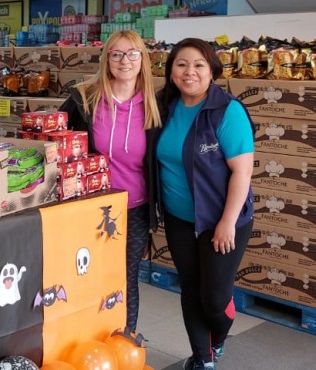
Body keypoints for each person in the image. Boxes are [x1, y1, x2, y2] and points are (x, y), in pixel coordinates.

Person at [154, 38, 255, 370]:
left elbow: (242, 171)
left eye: (199, 64)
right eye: (181, 64)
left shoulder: (227, 111)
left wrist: (227, 221)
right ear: (171, 71)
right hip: (179, 219)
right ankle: (202, 359)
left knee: (213, 298)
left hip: (221, 221)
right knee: (190, 290)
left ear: (212, 70)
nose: (189, 72)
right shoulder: (163, 107)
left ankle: (219, 339)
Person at [59, 30, 162, 333]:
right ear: (106, 60)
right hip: (88, 206)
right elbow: (53, 138)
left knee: (126, 277)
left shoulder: (156, 105)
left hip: (135, 208)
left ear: (143, 59)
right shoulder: (85, 99)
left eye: (132, 53)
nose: (125, 60)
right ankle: (84, 338)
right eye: (116, 54)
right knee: (85, 272)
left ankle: (125, 338)